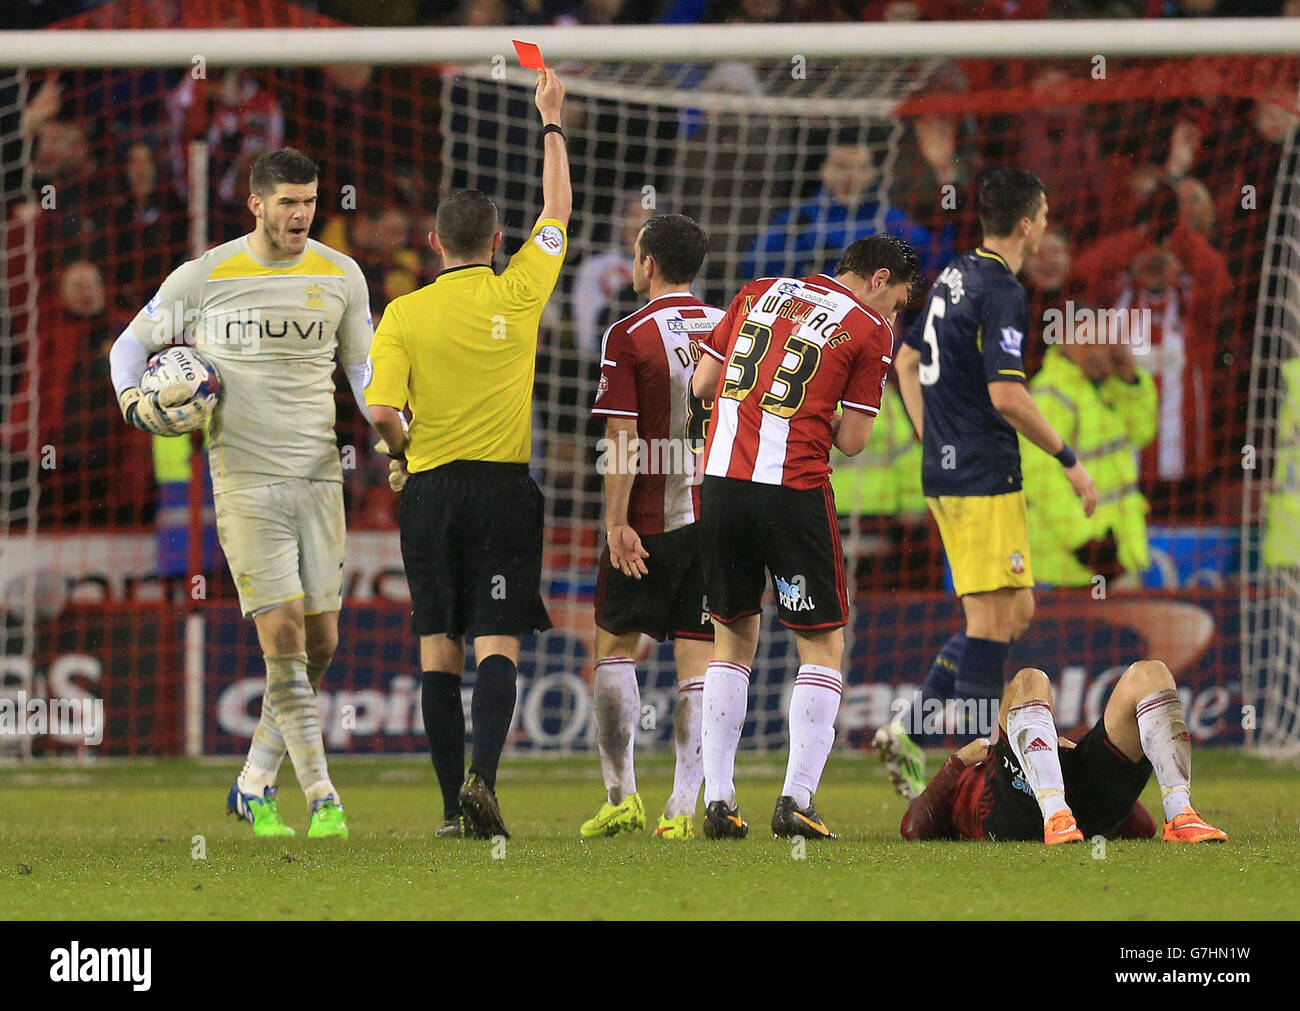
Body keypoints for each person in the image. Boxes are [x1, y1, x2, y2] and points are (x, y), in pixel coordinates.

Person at [109, 148, 375, 839]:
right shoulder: (207, 274)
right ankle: (322, 796)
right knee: (282, 632)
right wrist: (135, 403)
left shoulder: (341, 275)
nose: (301, 214)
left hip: (320, 475)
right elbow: (125, 350)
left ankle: (254, 777)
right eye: (288, 201)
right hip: (245, 477)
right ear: (255, 203)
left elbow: (364, 374)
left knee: (320, 641)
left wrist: (395, 436)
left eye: (311, 201)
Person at [365, 68, 570, 840]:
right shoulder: (518, 289)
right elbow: (557, 208)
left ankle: (456, 805)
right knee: (497, 639)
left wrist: (402, 448)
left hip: (429, 491)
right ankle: (486, 774)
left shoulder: (404, 312)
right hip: (502, 490)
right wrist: (550, 119)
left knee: (436, 647)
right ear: (494, 242)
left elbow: (382, 410)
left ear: (431, 244)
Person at [690, 233, 921, 841]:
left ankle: (717, 799)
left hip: (719, 484)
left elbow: (703, 385)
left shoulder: (757, 291)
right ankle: (796, 799)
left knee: (731, 640)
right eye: (897, 298)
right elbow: (852, 441)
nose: (894, 311)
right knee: (821, 647)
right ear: (878, 279)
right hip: (791, 489)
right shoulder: (870, 328)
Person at [877, 168, 1098, 800]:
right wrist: (1069, 459)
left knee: (1015, 611)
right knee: (989, 621)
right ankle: (976, 773)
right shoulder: (1001, 288)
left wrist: (930, 436)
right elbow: (1008, 393)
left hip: (953, 467)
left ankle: (910, 731)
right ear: (1027, 223)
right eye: (1047, 214)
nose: (1049, 225)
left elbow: (907, 359)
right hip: (981, 471)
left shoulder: (952, 273)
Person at [580, 213, 725, 842]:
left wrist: (615, 522)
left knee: (612, 651)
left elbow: (622, 435)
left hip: (647, 523)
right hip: (713, 516)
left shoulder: (628, 332)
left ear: (648, 264)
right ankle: (682, 809)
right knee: (700, 663)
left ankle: (622, 798)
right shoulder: (728, 327)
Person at [885, 660, 1227, 844]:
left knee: (1151, 673)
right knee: (1030, 678)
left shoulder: (1035, 752)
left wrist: (1068, 760)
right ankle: (1054, 814)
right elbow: (913, 828)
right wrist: (956, 764)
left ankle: (1181, 815)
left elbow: (1142, 828)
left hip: (1077, 806)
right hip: (1009, 811)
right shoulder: (971, 776)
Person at [1021, 315, 1157, 588]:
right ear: (1064, 344)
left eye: (1103, 342)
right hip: (1073, 566)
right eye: (1087, 343)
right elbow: (1042, 481)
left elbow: (1142, 433)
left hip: (1120, 553)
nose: (1097, 352)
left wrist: (1129, 379)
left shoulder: (1107, 387)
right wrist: (1088, 546)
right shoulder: (1050, 395)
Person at [743, 128, 945, 283]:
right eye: (841, 167)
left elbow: (936, 267)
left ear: (873, 173)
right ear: (824, 170)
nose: (851, 177)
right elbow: (752, 266)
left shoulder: (890, 221)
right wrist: (804, 258)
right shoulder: (801, 219)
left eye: (860, 168)